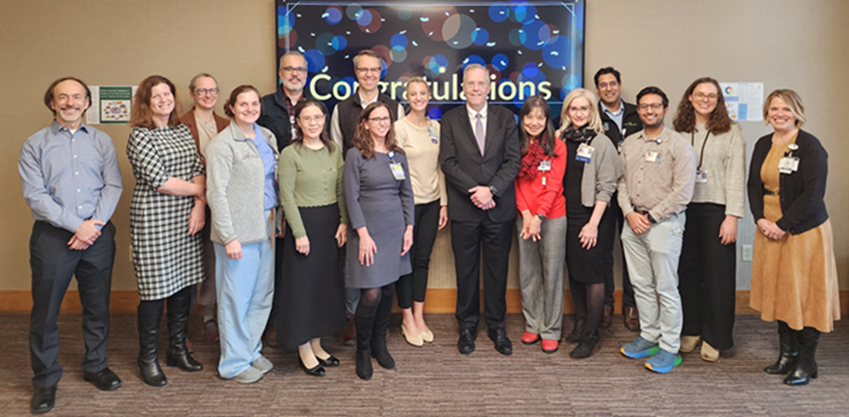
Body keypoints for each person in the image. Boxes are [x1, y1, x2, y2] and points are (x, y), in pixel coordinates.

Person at [19, 77, 123, 414]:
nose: (70, 102)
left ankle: (96, 365)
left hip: (98, 234)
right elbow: (35, 195)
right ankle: (45, 379)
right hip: (52, 238)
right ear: (52, 103)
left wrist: (93, 226)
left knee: (97, 306)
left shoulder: (102, 141)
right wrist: (77, 226)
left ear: (87, 102)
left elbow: (113, 185)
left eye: (77, 97)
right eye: (62, 97)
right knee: (46, 310)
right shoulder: (34, 144)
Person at [747, 89, 840, 386]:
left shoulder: (810, 146)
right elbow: (753, 185)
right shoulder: (763, 144)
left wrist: (783, 224)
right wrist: (760, 219)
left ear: (797, 112)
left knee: (806, 294)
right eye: (774, 109)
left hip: (803, 231)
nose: (780, 114)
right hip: (769, 228)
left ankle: (806, 362)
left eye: (786, 109)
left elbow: (813, 194)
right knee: (780, 291)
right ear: (767, 113)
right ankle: (787, 356)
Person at [126, 75, 205, 387]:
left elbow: (197, 167)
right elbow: (160, 181)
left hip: (187, 219)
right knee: (154, 291)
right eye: (156, 96)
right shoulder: (140, 136)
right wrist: (203, 192)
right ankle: (147, 357)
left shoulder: (182, 130)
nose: (163, 100)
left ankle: (177, 349)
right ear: (146, 102)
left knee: (183, 286)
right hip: (154, 222)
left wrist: (199, 205)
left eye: (167, 94)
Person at [440, 64, 521, 356]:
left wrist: (492, 190)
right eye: (470, 83)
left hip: (499, 208)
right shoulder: (450, 119)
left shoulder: (506, 118)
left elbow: (513, 160)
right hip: (465, 208)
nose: (475, 88)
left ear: (489, 87)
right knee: (466, 270)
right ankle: (467, 325)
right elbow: (448, 162)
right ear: (462, 87)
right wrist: (476, 191)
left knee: (497, 271)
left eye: (480, 83)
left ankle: (497, 326)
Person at [618, 86, 696, 374]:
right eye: (644, 106)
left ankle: (670, 346)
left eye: (655, 106)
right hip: (632, 223)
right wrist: (629, 213)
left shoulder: (679, 146)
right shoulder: (630, 143)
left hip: (664, 224)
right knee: (641, 284)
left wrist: (650, 217)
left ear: (665, 109)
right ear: (637, 110)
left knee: (666, 288)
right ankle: (649, 335)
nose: (649, 110)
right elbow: (621, 182)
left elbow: (683, 192)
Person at [206, 85, 279, 384]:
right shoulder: (223, 144)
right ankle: (234, 363)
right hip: (238, 231)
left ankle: (250, 350)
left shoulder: (267, 136)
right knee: (236, 299)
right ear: (231, 107)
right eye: (243, 104)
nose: (250, 109)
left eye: (254, 103)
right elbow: (216, 193)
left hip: (267, 225)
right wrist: (228, 236)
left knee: (261, 296)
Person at [330, 49, 405, 345]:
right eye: (363, 69)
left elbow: (397, 151)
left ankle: (376, 326)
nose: (369, 74)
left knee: (383, 275)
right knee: (355, 263)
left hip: (387, 209)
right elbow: (337, 157)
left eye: (374, 69)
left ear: (381, 72)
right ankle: (354, 316)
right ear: (356, 72)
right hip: (356, 200)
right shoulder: (341, 109)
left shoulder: (394, 107)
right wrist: (346, 213)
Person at [672, 77, 746, 362]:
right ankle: (691, 329)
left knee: (718, 276)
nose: (705, 99)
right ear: (689, 97)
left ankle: (716, 337)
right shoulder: (678, 131)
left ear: (718, 101)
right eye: (700, 94)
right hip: (683, 210)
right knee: (687, 272)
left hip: (717, 210)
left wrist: (732, 217)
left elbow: (736, 175)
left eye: (711, 96)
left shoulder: (731, 132)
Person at [343, 102, 414, 380]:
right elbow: (351, 198)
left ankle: (378, 344)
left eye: (386, 118)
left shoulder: (398, 155)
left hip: (395, 229)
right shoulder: (355, 155)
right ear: (365, 123)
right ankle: (362, 349)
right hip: (367, 232)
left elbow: (407, 194)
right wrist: (362, 234)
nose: (383, 123)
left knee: (387, 290)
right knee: (371, 293)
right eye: (376, 119)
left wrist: (409, 228)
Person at [276, 98, 348, 376]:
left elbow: (341, 189)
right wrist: (299, 233)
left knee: (323, 286)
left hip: (329, 224)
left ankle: (317, 343)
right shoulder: (290, 153)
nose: (313, 123)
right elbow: (287, 197)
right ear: (298, 122)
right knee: (302, 288)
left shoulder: (334, 150)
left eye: (317, 117)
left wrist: (343, 222)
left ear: (324, 120)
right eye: (306, 118)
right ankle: (303, 347)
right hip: (303, 225)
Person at [557, 89, 621, 358]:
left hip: (592, 217)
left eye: (584, 108)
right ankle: (581, 322)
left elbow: (607, 187)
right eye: (574, 108)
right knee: (575, 271)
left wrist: (593, 224)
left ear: (593, 111)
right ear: (567, 112)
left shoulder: (601, 142)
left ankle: (592, 334)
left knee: (593, 275)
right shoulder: (560, 139)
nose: (579, 113)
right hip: (566, 216)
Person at [257, 51, 312, 348]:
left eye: (300, 69)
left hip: (307, 194)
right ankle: (274, 320)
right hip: (273, 197)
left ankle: (302, 319)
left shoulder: (315, 106)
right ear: (280, 73)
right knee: (275, 262)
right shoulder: (264, 106)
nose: (295, 74)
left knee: (302, 259)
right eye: (289, 69)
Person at [394, 77, 447, 347]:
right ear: (407, 97)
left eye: (422, 93)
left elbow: (440, 167)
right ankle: (406, 318)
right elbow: (394, 169)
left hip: (432, 202)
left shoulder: (436, 127)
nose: (418, 98)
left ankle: (418, 315)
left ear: (429, 96)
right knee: (406, 261)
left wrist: (444, 202)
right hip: (407, 205)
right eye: (413, 94)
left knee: (423, 261)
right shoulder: (398, 128)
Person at [513, 95, 567, 354]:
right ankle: (532, 324)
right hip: (524, 217)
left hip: (552, 217)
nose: (534, 122)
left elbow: (554, 185)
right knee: (528, 272)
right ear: (522, 118)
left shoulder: (557, 146)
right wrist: (526, 214)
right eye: (529, 116)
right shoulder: (515, 144)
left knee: (552, 273)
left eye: (540, 117)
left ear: (547, 120)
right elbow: (513, 182)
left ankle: (551, 329)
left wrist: (539, 217)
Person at [179, 73, 229, 343]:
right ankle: (180, 326)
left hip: (219, 201)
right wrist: (201, 197)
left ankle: (209, 314)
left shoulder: (227, 124)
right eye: (202, 90)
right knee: (186, 260)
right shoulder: (180, 124)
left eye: (212, 90)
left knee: (213, 257)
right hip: (187, 202)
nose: (208, 95)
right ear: (192, 94)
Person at [593, 67, 642, 331]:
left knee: (631, 250)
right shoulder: (592, 114)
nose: (609, 89)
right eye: (603, 85)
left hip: (634, 192)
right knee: (602, 250)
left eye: (612, 83)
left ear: (620, 86)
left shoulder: (638, 113)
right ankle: (605, 303)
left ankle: (631, 306)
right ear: (597, 89)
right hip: (603, 192)